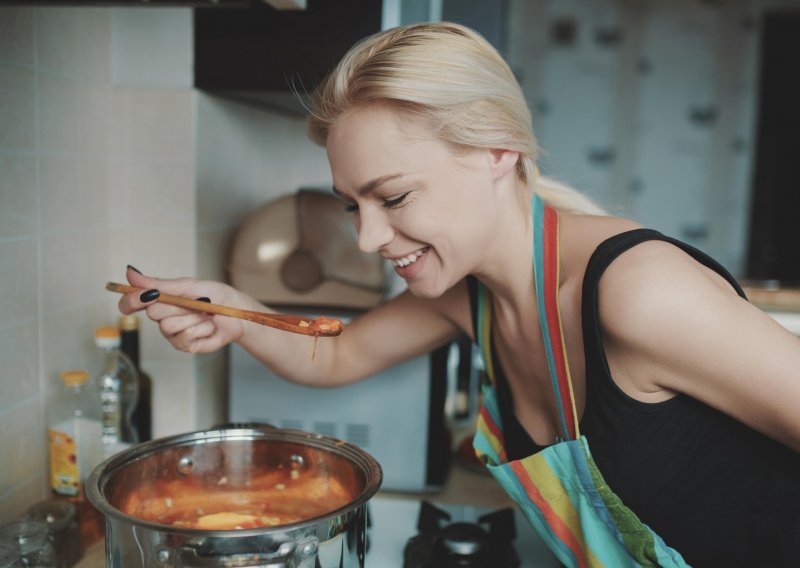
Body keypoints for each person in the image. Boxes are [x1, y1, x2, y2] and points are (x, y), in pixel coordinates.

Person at [118, 22, 800, 567]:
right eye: (354, 205)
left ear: (498, 149)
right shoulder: (467, 293)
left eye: (393, 196)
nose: (367, 238)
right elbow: (334, 358)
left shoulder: (638, 293)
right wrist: (232, 313)